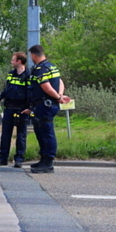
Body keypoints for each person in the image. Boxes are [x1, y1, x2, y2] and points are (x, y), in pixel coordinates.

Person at [26, 44, 71, 173]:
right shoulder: (51, 66)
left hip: (45, 105)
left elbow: (47, 87)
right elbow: (60, 81)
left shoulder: (41, 69)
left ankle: (48, 162)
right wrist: (60, 95)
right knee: (42, 133)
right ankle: (43, 160)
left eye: (31, 56)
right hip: (48, 104)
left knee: (46, 133)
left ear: (34, 55)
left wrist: (57, 97)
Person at [0, 52, 30, 168]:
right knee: (5, 134)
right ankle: (3, 158)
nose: (11, 62)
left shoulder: (28, 75)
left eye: (13, 60)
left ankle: (19, 159)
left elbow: (31, 92)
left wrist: (30, 108)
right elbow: (6, 89)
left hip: (22, 109)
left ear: (19, 61)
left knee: (21, 135)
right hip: (9, 108)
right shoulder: (11, 74)